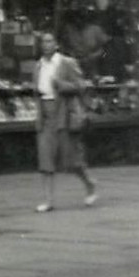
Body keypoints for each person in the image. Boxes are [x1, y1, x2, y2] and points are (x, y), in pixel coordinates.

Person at [33, 31, 98, 212]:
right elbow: (36, 92)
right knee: (45, 157)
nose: (46, 44)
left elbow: (81, 85)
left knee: (71, 161)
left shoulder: (66, 63)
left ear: (56, 44)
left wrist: (61, 84)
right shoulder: (38, 66)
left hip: (63, 115)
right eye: (43, 42)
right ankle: (48, 200)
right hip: (45, 115)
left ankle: (89, 184)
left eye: (49, 41)